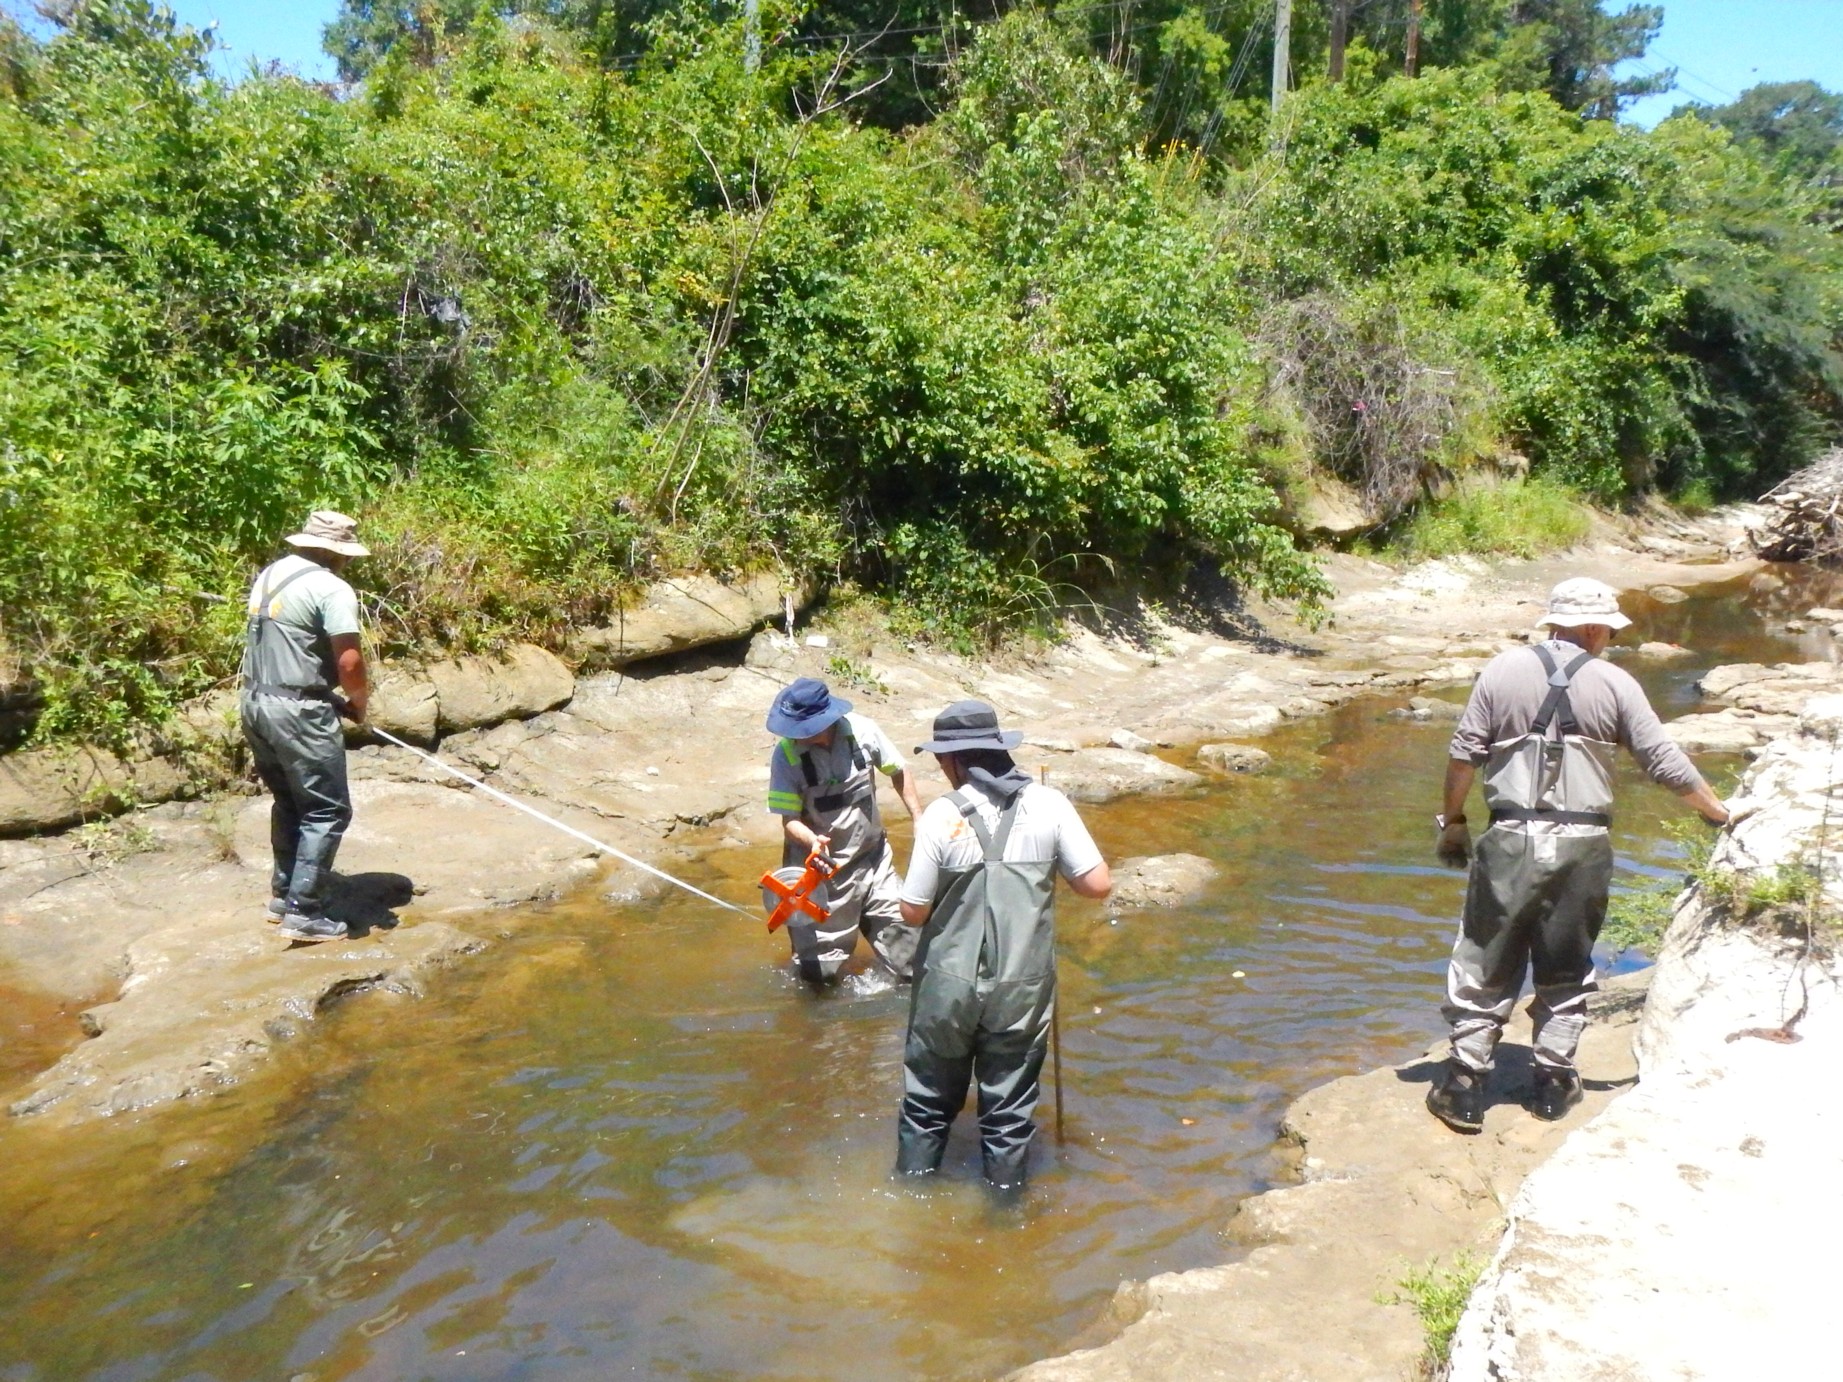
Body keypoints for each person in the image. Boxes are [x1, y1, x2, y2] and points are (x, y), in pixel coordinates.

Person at [1427, 577, 1730, 1133]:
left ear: (1554, 622)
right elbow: (1662, 760)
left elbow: (1463, 755)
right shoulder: (1616, 683)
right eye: (1608, 631)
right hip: (1585, 845)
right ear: (1593, 627)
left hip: (1511, 839)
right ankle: (1553, 1082)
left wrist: (1453, 823)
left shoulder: (1500, 670)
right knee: (1566, 961)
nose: (1608, 640)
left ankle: (1465, 1083)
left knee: (1485, 959)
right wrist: (1718, 813)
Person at [895, 700, 1112, 1191]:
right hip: (1022, 984)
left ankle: (912, 1197)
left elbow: (914, 912)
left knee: (927, 1101)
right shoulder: (1050, 804)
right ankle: (1006, 1215)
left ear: (954, 760)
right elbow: (1097, 885)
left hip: (948, 984)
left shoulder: (940, 817)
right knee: (1009, 1111)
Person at [240, 510, 372, 944]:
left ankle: (283, 897)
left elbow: (286, 648)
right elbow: (348, 660)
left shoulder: (271, 573)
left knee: (291, 803)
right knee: (328, 810)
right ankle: (305, 912)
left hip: (257, 702)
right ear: (337, 554)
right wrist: (357, 702)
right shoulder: (332, 588)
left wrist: (323, 694)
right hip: (298, 714)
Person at [765, 677, 922, 981]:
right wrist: (812, 840)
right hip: (821, 876)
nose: (795, 736)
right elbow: (789, 821)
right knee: (820, 978)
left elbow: (898, 770)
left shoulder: (862, 731)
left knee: (910, 960)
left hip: (874, 861)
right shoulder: (785, 756)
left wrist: (918, 817)